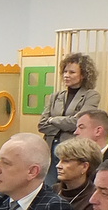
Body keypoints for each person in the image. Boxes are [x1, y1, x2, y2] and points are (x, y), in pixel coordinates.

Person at [39, 53, 100, 185]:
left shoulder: (91, 95)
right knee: (48, 186)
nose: (66, 75)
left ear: (83, 75)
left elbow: (77, 123)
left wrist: (53, 120)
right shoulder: (56, 96)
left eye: (72, 72)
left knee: (66, 186)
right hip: (50, 147)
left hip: (72, 150)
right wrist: (63, 123)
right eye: (65, 72)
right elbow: (42, 124)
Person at [53, 137, 103, 210]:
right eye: (59, 160)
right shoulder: (52, 190)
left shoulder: (95, 197)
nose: (58, 165)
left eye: (66, 161)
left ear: (84, 166)